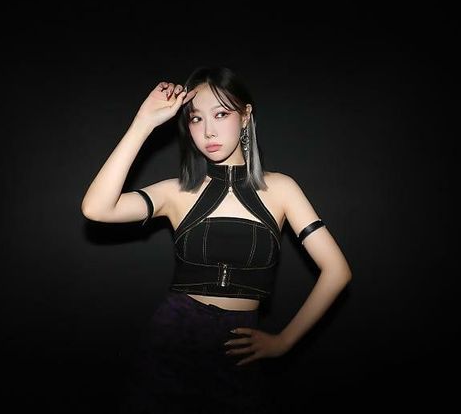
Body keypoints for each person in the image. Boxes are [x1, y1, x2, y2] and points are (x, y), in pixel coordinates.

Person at [81, 66, 353, 413]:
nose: (208, 130)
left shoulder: (282, 189)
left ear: (245, 116)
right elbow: (96, 209)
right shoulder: (178, 191)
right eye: (196, 119)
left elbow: (337, 271)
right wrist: (143, 123)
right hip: (172, 341)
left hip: (237, 351)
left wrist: (285, 341)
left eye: (221, 114)